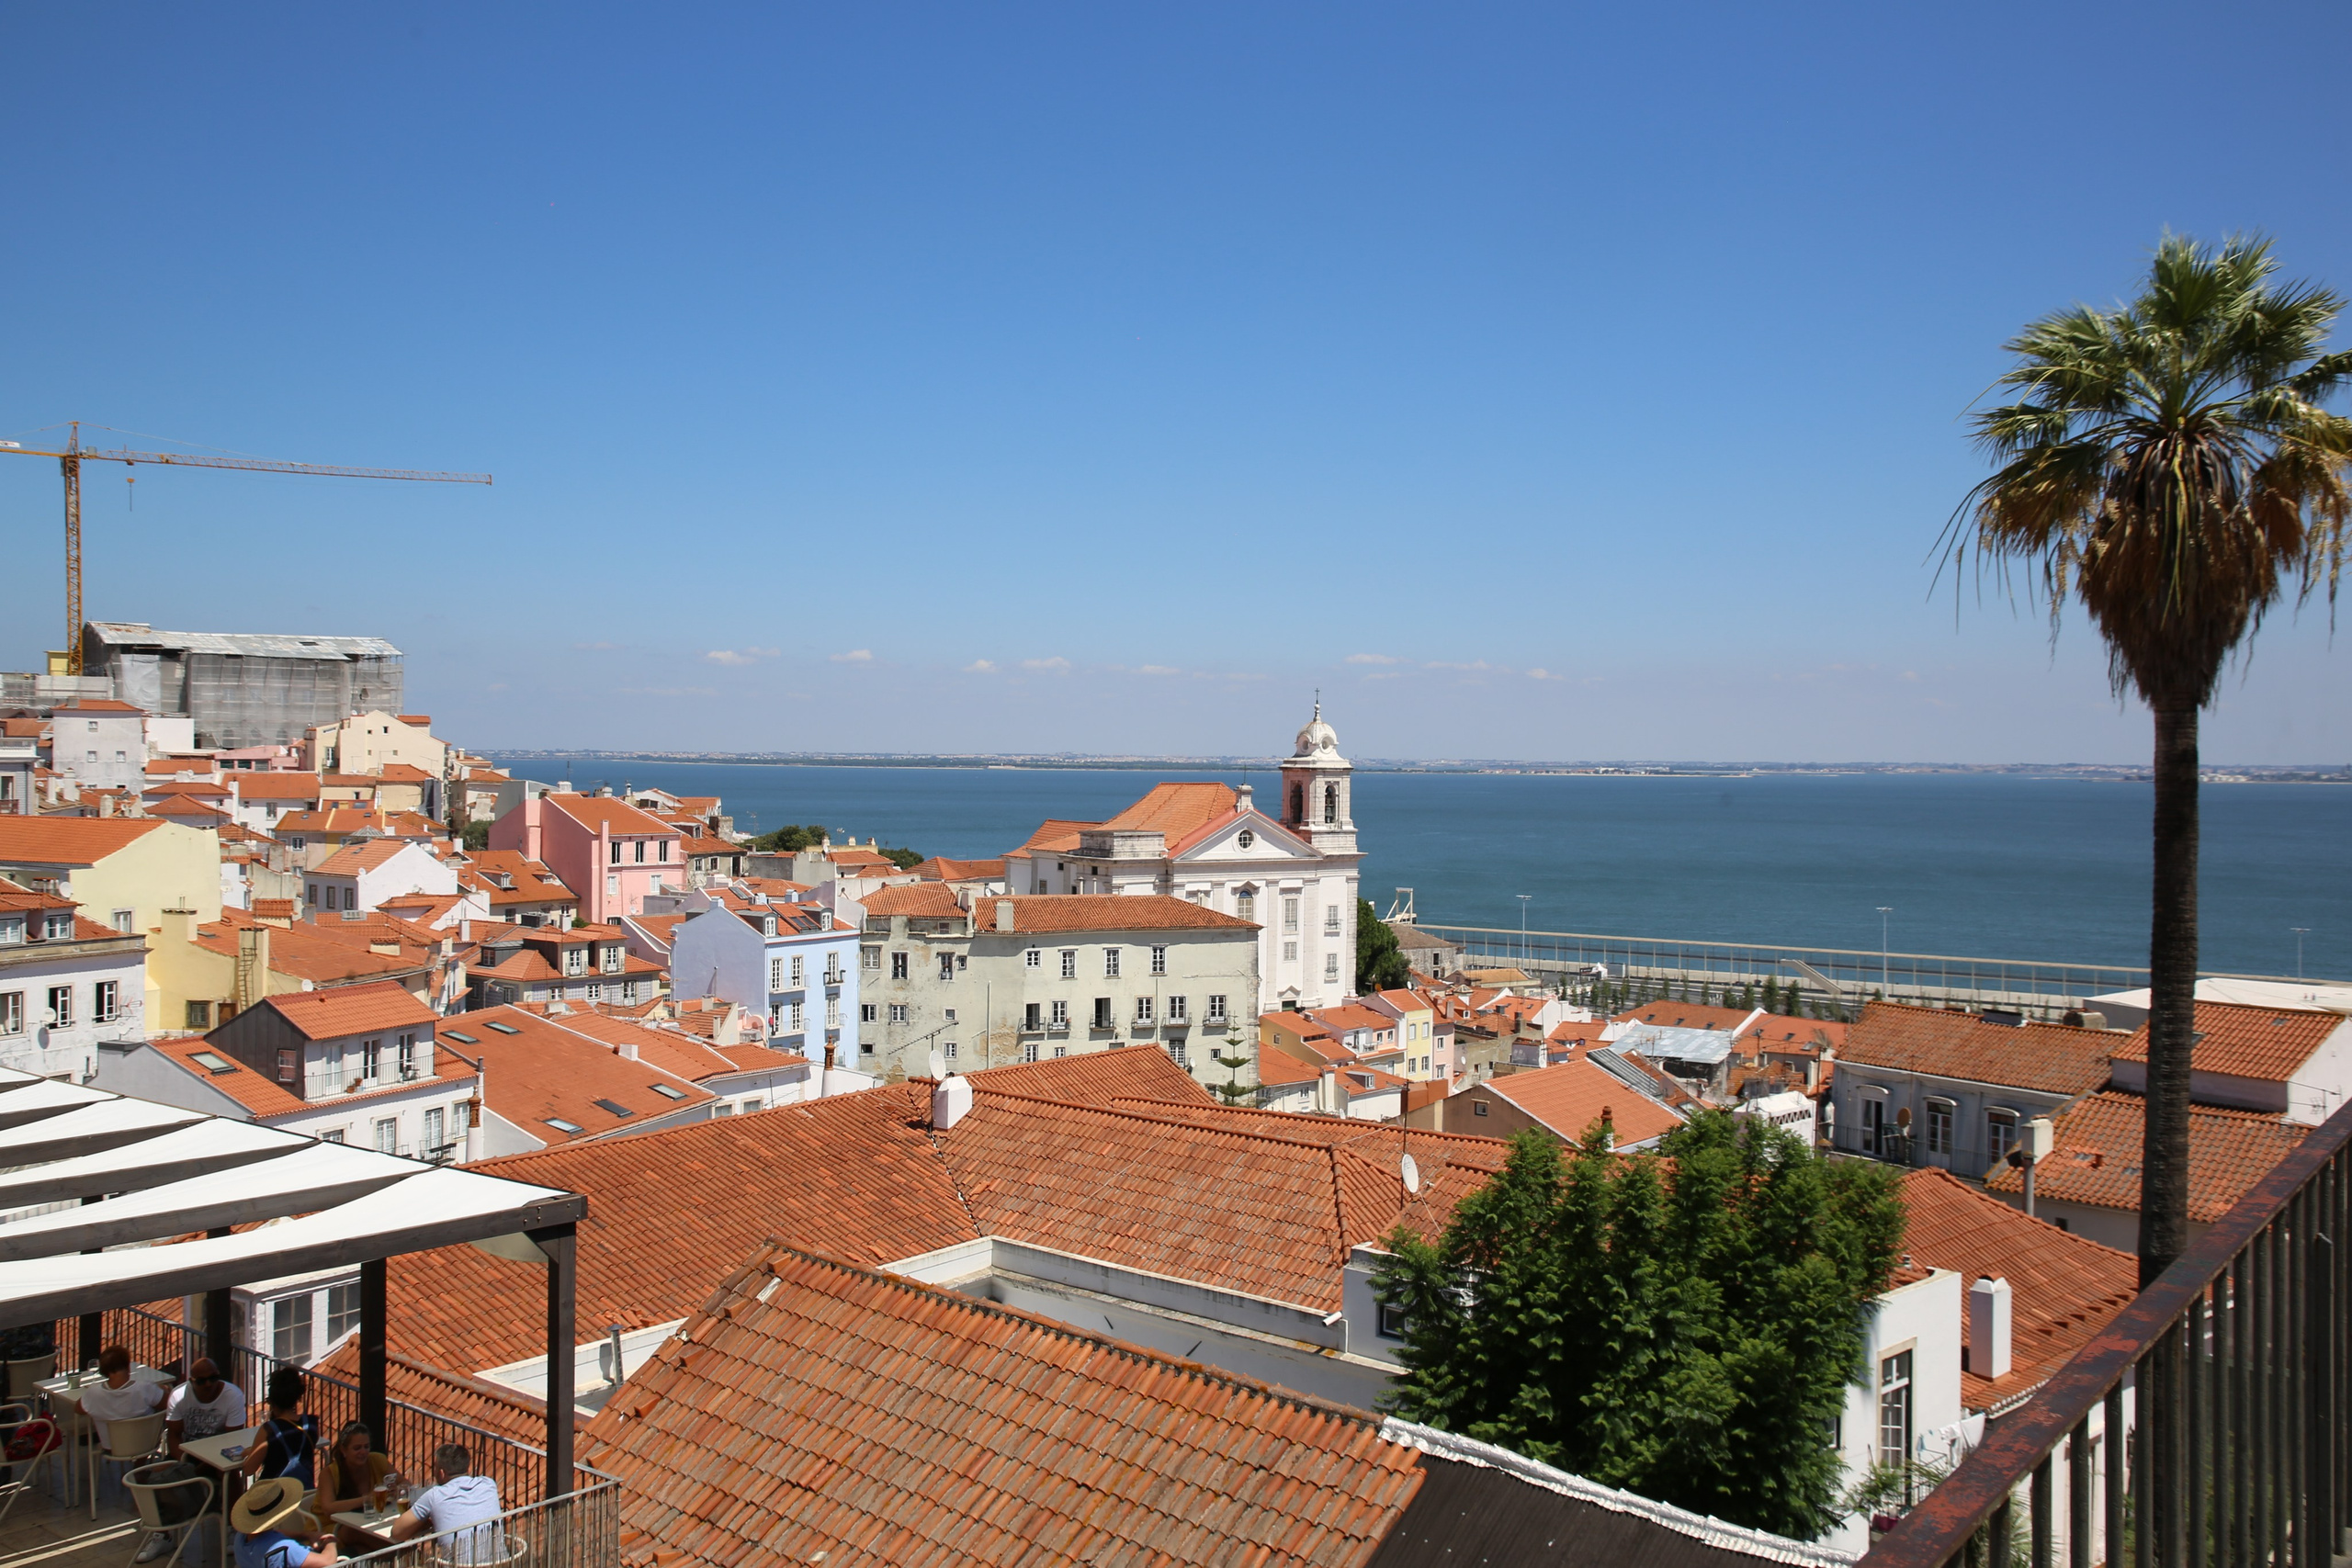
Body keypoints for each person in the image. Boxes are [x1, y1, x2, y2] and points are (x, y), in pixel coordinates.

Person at [80, 1345, 176, 1563]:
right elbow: (166, 1402)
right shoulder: (143, 1388)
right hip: (145, 1445)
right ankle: (141, 1469)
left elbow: (79, 1408)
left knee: (128, 1429)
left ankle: (139, 1470)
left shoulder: (94, 1393)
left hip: (111, 1447)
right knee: (145, 1422)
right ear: (127, 1364)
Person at [390, 1444, 503, 1564]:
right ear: (467, 1468)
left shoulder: (434, 1496)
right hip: (499, 1563)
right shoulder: (488, 1484)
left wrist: (425, 1520)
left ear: (441, 1473)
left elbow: (397, 1533)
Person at [312, 1422, 401, 1553]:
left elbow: (405, 1484)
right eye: (357, 1448)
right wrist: (367, 1499)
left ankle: (399, 1555)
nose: (363, 1452)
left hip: (369, 1522)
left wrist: (396, 1491)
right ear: (343, 1450)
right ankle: (400, 1554)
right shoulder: (329, 1473)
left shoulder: (377, 1460)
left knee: (367, 1549)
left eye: (366, 1447)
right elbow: (328, 1508)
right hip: (333, 1528)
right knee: (358, 1531)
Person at [231, 1476, 337, 1568]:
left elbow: (275, 1534)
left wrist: (306, 1535)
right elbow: (327, 1562)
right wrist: (330, 1542)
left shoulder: (240, 1537)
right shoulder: (283, 1548)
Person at [242, 1369, 318, 1487]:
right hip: (303, 1492)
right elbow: (293, 1445)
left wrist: (250, 1453)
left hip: (274, 1496)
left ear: (272, 1402)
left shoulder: (269, 1430)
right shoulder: (312, 1424)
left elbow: (249, 1470)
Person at [164, 1358, 245, 1461]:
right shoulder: (178, 1396)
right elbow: (174, 1435)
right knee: (157, 1474)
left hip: (219, 1456)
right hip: (186, 1454)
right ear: (191, 1381)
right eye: (201, 1381)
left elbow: (233, 1440)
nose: (208, 1384)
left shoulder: (234, 1396)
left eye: (213, 1378)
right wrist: (185, 1465)